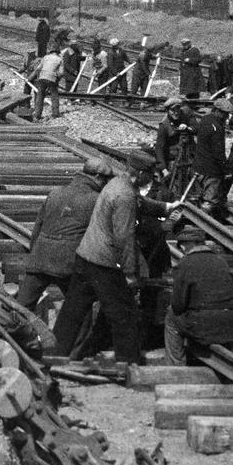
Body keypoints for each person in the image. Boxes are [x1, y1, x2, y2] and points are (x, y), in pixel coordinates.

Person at [54, 152, 177, 366]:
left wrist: (165, 208)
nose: (152, 178)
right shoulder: (125, 197)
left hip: (85, 256)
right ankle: (126, 365)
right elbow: (124, 239)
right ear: (139, 173)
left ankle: (55, 354)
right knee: (125, 316)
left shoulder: (117, 184)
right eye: (149, 174)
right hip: (104, 264)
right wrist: (129, 274)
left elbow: (141, 202)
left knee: (72, 312)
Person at [16, 157, 112, 315]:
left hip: (40, 256)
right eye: (105, 180)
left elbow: (37, 228)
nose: (106, 184)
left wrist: (35, 253)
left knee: (21, 307)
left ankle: (13, 337)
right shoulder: (96, 200)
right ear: (96, 177)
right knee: (80, 311)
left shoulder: (55, 193)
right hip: (68, 263)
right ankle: (75, 340)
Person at [165, 243, 233, 365]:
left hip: (203, 324)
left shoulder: (185, 263)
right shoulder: (221, 261)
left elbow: (178, 306)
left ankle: (176, 365)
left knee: (171, 318)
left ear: (183, 247)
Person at [191, 98, 233, 218]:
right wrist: (225, 170)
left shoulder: (205, 120)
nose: (226, 117)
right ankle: (204, 222)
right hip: (211, 170)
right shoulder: (217, 128)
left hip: (198, 166)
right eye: (225, 114)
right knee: (209, 200)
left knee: (198, 196)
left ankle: (198, 216)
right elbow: (218, 153)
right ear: (217, 111)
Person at [153, 97, 195, 190]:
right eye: (172, 110)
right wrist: (163, 169)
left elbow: (196, 128)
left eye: (177, 110)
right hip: (173, 161)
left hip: (188, 158)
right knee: (174, 188)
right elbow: (159, 148)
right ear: (168, 111)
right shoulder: (164, 126)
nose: (175, 113)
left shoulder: (185, 116)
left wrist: (188, 128)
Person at [29, 44, 65, 121]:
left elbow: (38, 69)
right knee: (54, 96)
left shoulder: (45, 57)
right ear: (58, 52)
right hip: (52, 78)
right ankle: (55, 113)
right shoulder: (60, 59)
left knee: (40, 95)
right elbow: (61, 73)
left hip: (42, 78)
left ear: (51, 52)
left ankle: (37, 114)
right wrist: (57, 77)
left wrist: (30, 78)